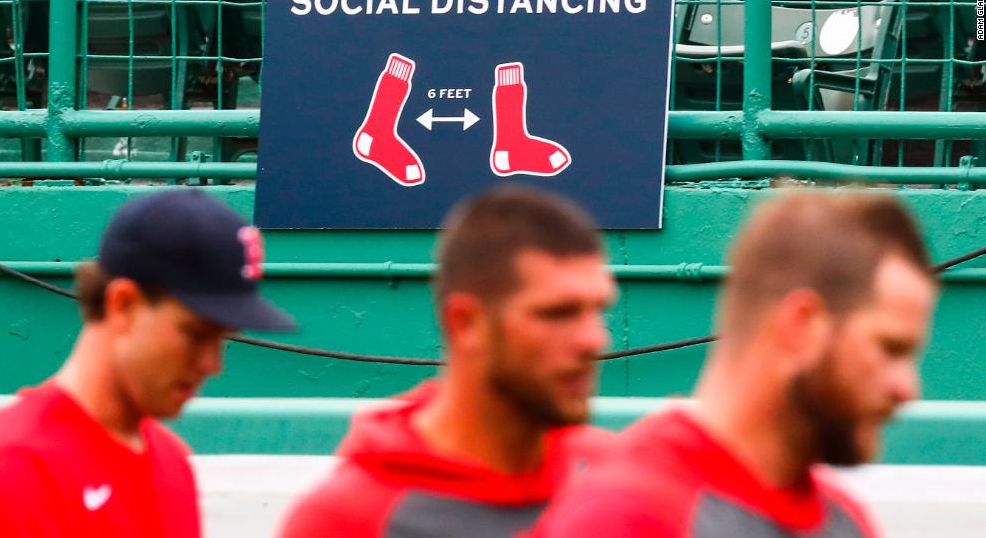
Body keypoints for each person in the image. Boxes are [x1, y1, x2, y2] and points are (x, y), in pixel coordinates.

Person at [531, 191, 937, 538]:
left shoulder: (844, 519)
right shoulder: (626, 519)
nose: (907, 388)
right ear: (801, 326)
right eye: (890, 349)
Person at [0, 189, 296, 537]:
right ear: (122, 304)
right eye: (195, 334)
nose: (212, 364)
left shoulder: (170, 459)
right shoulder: (19, 465)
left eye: (221, 338)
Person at [279, 186, 618, 538]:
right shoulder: (350, 521)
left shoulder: (619, 480)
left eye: (598, 310)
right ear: (466, 323)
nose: (593, 340)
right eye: (557, 313)